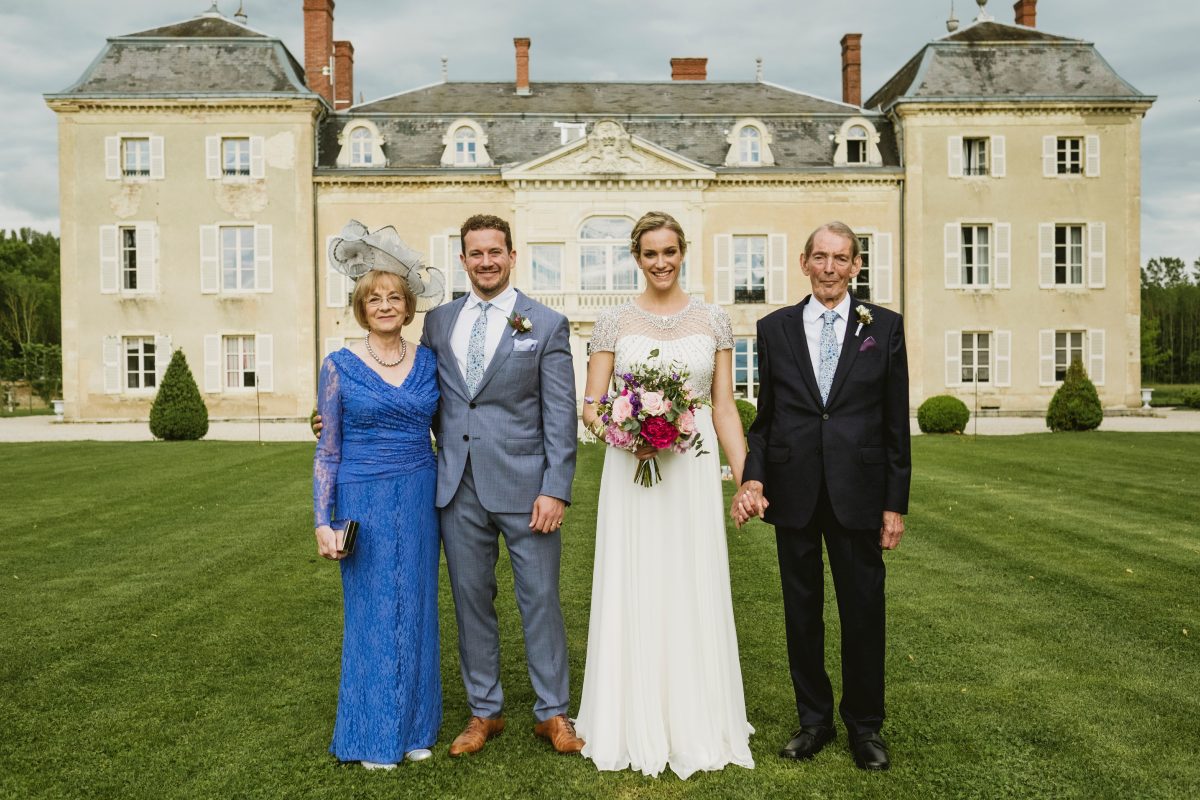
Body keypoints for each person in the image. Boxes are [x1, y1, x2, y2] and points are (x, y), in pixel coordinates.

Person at [576, 211, 754, 779]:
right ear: (637, 258)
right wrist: (626, 434)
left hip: (692, 468)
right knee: (637, 576)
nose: (661, 262)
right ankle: (628, 716)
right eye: (650, 253)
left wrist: (747, 477)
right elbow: (592, 405)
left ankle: (698, 716)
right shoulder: (613, 323)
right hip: (632, 470)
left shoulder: (713, 320)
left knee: (690, 576)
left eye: (669, 251)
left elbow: (722, 407)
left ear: (683, 253)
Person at [732, 221, 911, 771]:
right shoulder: (774, 328)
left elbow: (894, 422)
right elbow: (767, 418)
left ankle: (865, 727)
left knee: (863, 613)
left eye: (841, 258)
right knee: (801, 613)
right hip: (796, 492)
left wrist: (894, 504)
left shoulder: (885, 326)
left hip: (860, 491)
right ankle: (814, 721)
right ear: (804, 262)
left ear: (856, 265)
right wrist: (753, 477)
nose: (830, 268)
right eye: (820, 257)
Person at [421, 214, 582, 756]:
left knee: (540, 599)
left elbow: (559, 414)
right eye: (475, 253)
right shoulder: (438, 323)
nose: (486, 261)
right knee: (471, 602)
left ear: (513, 256)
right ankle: (483, 712)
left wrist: (555, 487)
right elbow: (423, 395)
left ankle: (553, 712)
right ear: (462, 260)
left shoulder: (546, 323)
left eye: (495, 251)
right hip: (456, 486)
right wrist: (338, 416)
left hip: (527, 486)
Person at [313, 221, 447, 768]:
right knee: (370, 613)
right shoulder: (339, 366)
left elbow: (454, 425)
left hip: (419, 493)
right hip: (361, 496)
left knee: (416, 607)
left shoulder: (430, 362)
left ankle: (416, 728)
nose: (386, 305)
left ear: (407, 305)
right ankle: (371, 735)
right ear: (361, 308)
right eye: (375, 298)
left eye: (394, 296)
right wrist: (323, 520)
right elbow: (327, 449)